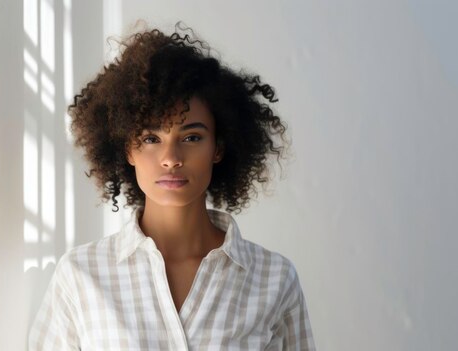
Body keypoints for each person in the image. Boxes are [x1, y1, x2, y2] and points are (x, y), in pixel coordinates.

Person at [28, 22, 315, 350]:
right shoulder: (80, 277)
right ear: (128, 150)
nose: (171, 157)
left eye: (192, 137)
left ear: (218, 147)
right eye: (151, 138)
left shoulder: (274, 280)